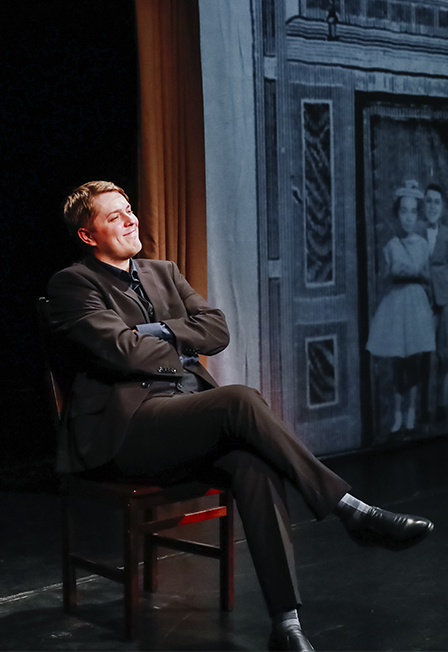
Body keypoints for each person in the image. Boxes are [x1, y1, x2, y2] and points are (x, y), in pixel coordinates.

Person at [48, 181, 434, 652]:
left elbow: (217, 329)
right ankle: (351, 509)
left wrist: (156, 331)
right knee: (239, 400)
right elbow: (124, 351)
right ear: (88, 235)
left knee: (253, 465)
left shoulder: (164, 272)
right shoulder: (73, 284)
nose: (131, 219)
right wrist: (177, 340)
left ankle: (286, 625)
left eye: (129, 210)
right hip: (127, 432)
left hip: (184, 419)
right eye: (115, 216)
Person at [366, 180, 435, 433]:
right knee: (398, 361)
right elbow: (383, 278)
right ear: (397, 214)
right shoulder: (391, 246)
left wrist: (415, 272)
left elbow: (428, 278)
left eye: (413, 212)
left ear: (418, 215)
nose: (408, 217)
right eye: (404, 211)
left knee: (414, 361)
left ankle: (411, 413)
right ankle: (397, 415)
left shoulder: (423, 245)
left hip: (415, 303)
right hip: (396, 303)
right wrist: (394, 271)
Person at [417, 183, 448, 422]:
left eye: (437, 202)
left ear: (443, 207)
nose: (433, 206)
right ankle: (424, 410)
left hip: (445, 299)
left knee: (444, 354)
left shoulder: (447, 233)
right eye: (429, 201)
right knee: (424, 354)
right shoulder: (415, 231)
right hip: (421, 299)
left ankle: (442, 404)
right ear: (423, 205)